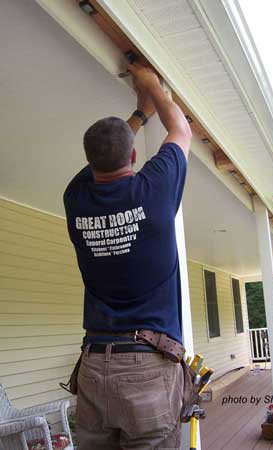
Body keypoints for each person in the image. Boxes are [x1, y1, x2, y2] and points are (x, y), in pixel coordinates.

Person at [63, 63, 192, 450]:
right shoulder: (152, 193)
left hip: (94, 366)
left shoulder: (76, 198)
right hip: (146, 368)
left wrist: (138, 113)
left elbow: (107, 156)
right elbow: (181, 132)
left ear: (90, 161)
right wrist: (152, 86)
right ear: (134, 154)